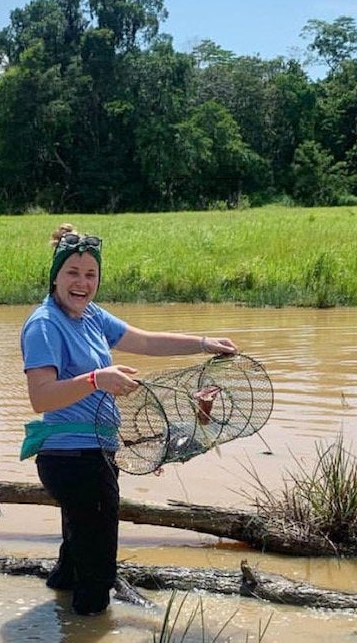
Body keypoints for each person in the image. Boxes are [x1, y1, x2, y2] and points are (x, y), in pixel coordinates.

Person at [20, 223, 239, 616]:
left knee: (75, 560)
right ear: (55, 277)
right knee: (98, 578)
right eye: (72, 273)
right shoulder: (44, 324)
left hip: (96, 455)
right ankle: (89, 625)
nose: (82, 283)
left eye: (91, 275)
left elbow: (145, 340)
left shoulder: (91, 317)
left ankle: (57, 611)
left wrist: (204, 343)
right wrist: (96, 379)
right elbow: (41, 397)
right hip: (72, 460)